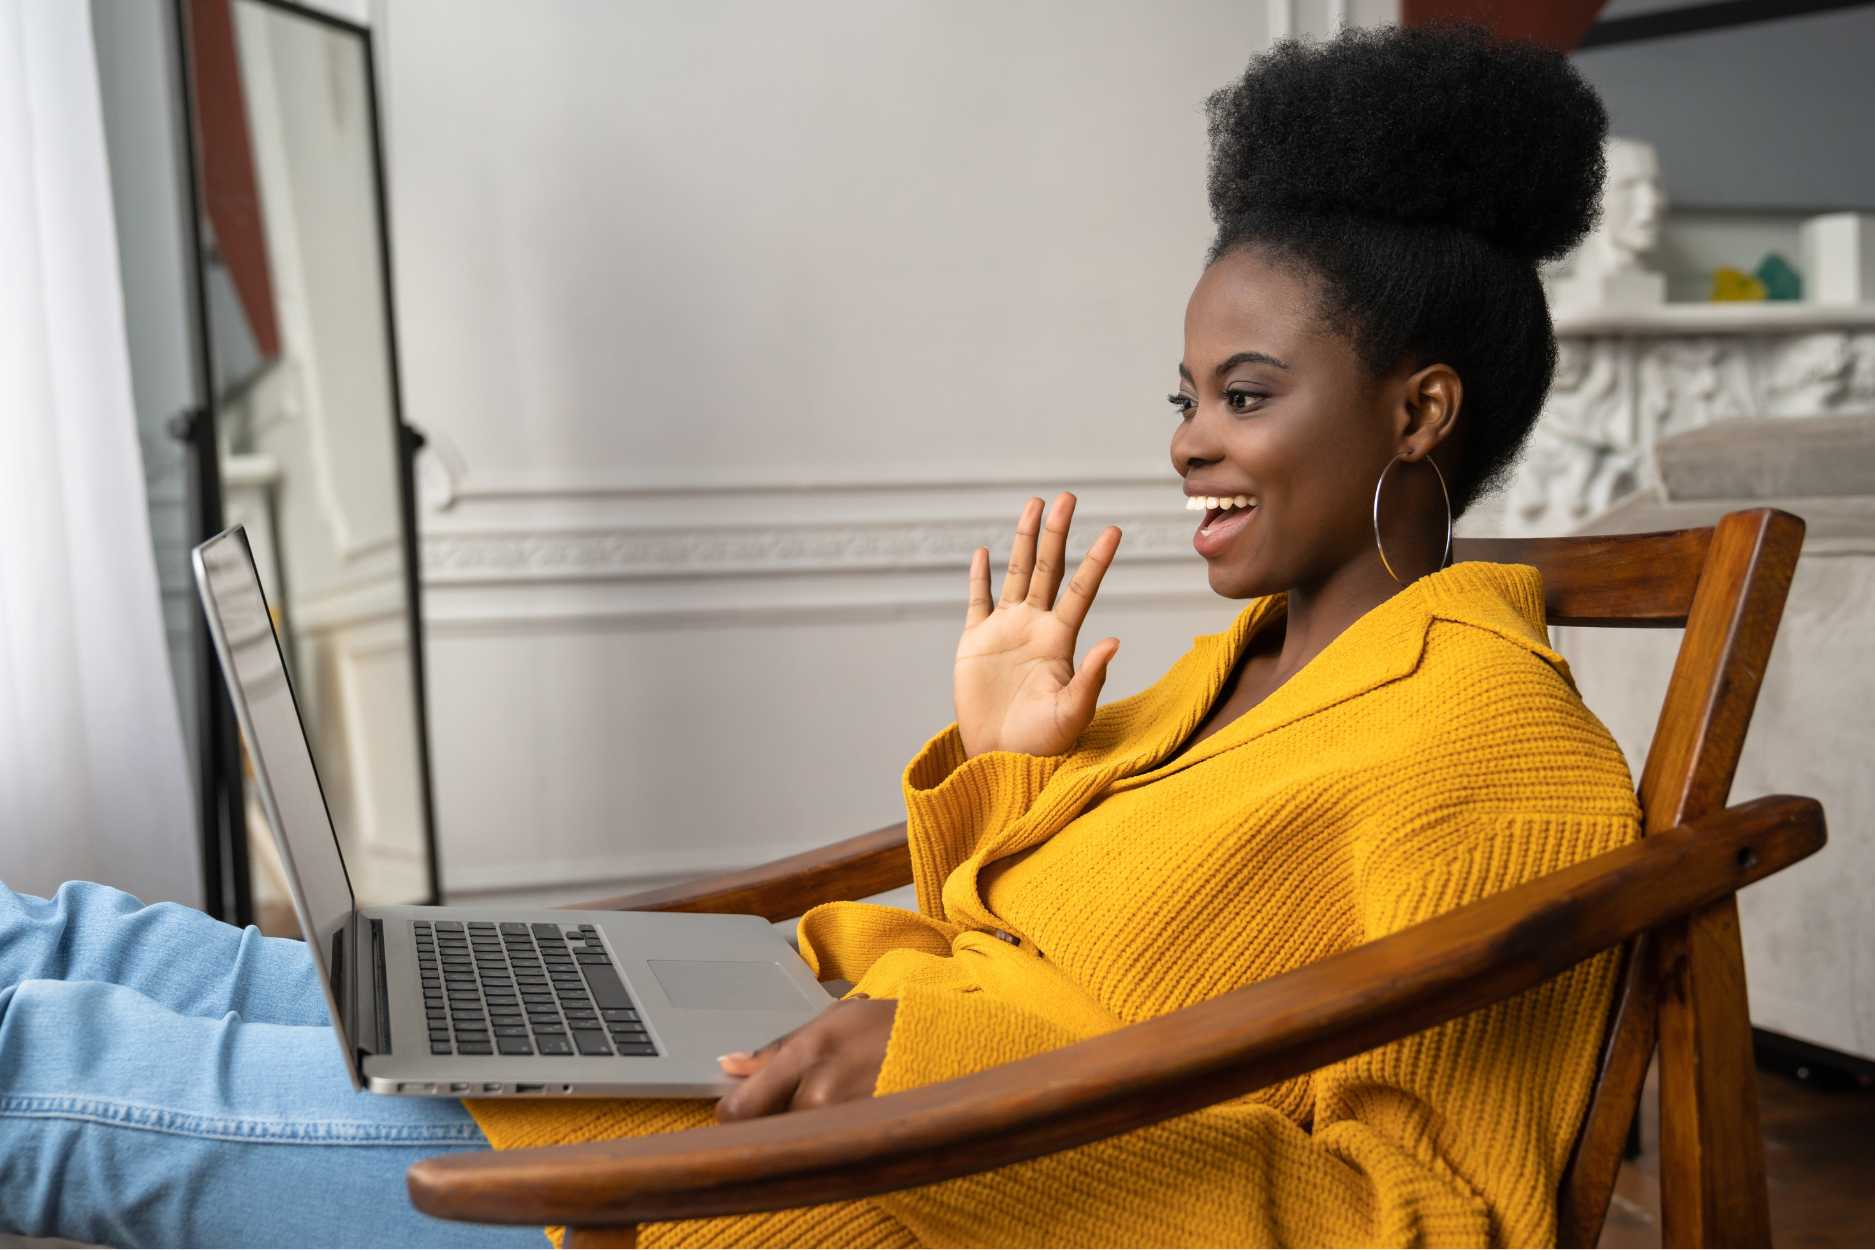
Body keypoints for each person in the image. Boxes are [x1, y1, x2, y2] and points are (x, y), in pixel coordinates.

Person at [1, 21, 1637, 1248]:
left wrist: (929, 1059)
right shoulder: (1240, 665)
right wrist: (1010, 766)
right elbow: (1017, 946)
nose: (1189, 441)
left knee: (57, 1073)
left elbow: (1430, 1217)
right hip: (793, 1056)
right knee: (110, 954)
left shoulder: (1491, 747)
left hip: (857, 1191)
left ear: (1421, 410)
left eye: (1248, 396)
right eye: (1186, 397)